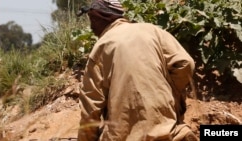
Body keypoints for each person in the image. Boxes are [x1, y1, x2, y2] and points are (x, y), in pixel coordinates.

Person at [76, 0, 198, 141]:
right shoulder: (153, 30)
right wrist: (170, 95)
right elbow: (185, 63)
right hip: (168, 132)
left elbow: (90, 106)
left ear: (99, 17)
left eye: (92, 20)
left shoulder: (101, 47)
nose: (92, 27)